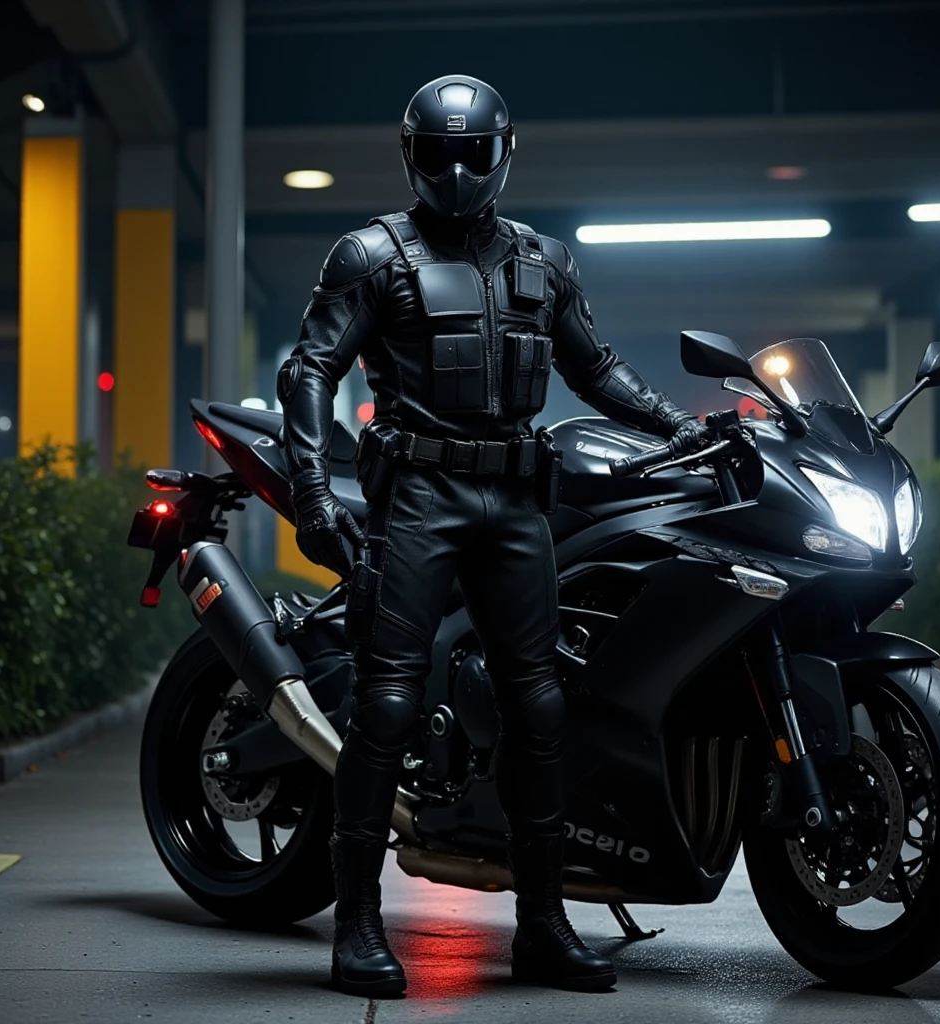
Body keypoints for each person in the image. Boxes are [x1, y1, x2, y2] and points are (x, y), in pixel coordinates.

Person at [278, 74, 712, 998]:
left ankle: (543, 928)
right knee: (387, 705)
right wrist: (314, 490)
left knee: (542, 711)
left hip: (515, 502)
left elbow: (595, 371)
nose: (460, 168)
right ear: (413, 157)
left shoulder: (544, 262)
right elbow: (309, 369)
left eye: (475, 151)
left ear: (506, 153)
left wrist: (680, 427)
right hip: (420, 498)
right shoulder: (371, 255)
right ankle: (355, 926)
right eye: (440, 152)